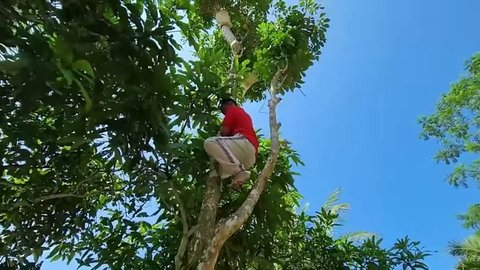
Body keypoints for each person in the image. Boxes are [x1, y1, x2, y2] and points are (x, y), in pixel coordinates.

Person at [203, 97, 259, 189]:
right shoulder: (243, 114)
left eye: (223, 109)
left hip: (244, 142)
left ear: (229, 103)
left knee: (210, 142)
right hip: (250, 158)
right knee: (217, 171)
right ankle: (238, 172)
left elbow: (224, 132)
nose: (224, 113)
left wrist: (221, 127)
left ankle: (238, 171)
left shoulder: (233, 109)